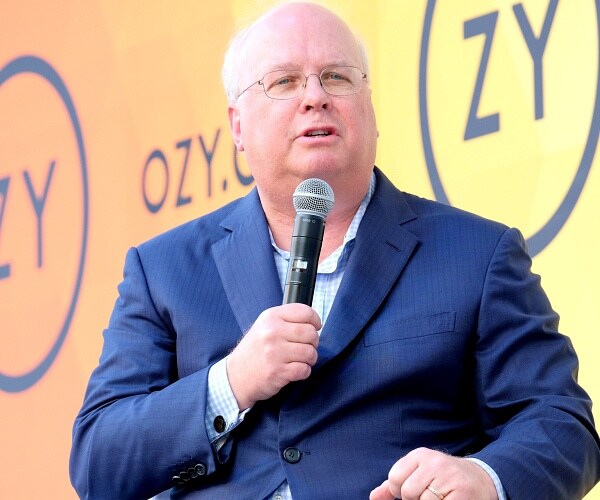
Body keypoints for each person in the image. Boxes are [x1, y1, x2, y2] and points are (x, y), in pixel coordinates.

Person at [70, 2, 600, 498]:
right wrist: (231, 383)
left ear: (369, 108)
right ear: (237, 125)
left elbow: (561, 423)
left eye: (337, 77)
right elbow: (98, 461)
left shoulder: (477, 255)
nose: (314, 96)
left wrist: (484, 476)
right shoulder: (163, 269)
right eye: (284, 81)